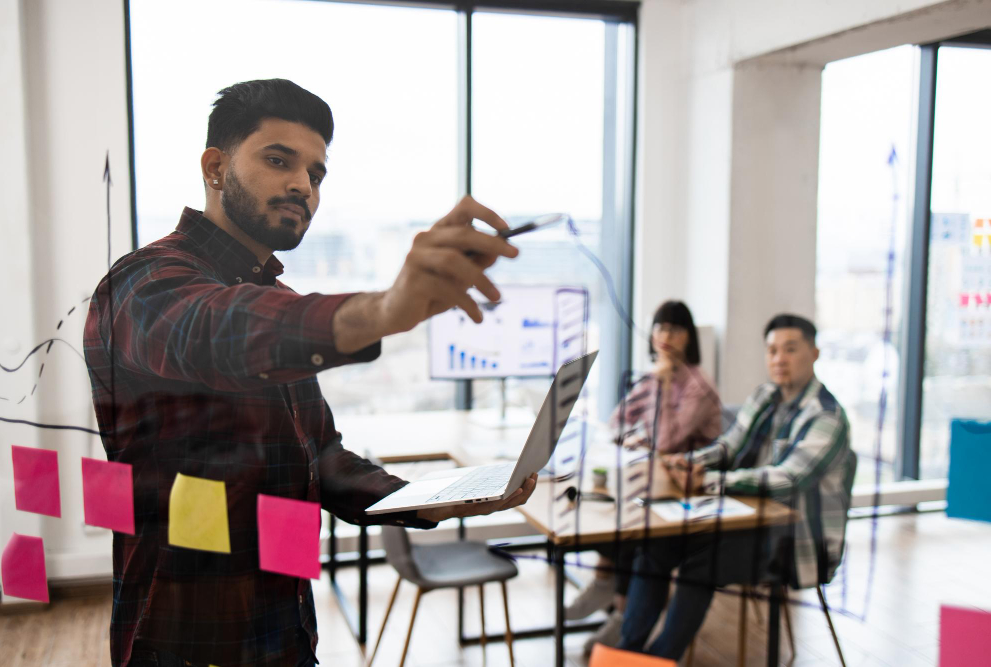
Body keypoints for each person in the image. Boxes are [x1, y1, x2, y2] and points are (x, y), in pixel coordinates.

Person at [83, 79, 536, 667]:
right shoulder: (143, 284)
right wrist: (384, 309)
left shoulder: (276, 294)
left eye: (317, 174)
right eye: (278, 160)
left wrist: (439, 501)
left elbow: (323, 460)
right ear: (216, 167)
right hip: (185, 642)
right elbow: (217, 331)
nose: (303, 184)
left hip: (287, 630)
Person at [617, 313, 854, 660]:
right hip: (747, 523)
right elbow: (729, 446)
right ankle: (628, 654)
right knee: (657, 544)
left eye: (790, 350)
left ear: (815, 353)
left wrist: (710, 481)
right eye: (772, 350)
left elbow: (788, 478)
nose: (779, 359)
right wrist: (692, 462)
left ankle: (661, 658)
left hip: (796, 541)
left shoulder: (826, 416)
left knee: (702, 562)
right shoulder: (766, 396)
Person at [567, 301, 721, 654]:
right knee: (617, 507)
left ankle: (621, 616)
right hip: (659, 482)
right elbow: (618, 419)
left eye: (674, 329)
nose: (665, 336)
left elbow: (668, 441)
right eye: (659, 328)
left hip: (692, 493)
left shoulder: (698, 384)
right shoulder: (653, 377)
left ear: (689, 337)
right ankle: (608, 589)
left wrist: (664, 390)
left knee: (633, 523)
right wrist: (635, 435)